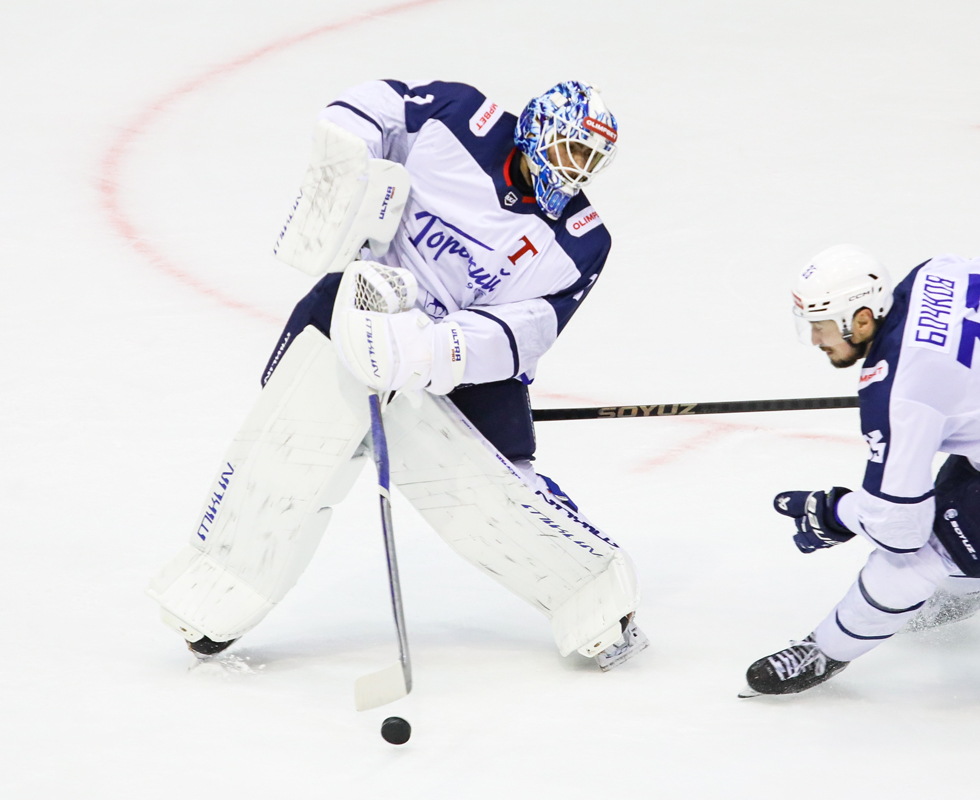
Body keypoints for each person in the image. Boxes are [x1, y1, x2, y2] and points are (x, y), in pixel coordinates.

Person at [147, 79, 648, 672]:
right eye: (572, 150)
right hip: (354, 307)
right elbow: (372, 111)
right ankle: (216, 592)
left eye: (591, 160)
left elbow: (526, 332)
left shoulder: (583, 242)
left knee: (499, 499)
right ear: (538, 129)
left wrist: (426, 350)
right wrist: (348, 158)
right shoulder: (460, 117)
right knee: (285, 455)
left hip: (463, 368)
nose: (577, 171)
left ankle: (593, 597)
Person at [741, 245, 980, 696]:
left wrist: (836, 512)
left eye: (820, 326)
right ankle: (968, 587)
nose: (816, 339)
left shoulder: (898, 397)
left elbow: (900, 530)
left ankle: (823, 651)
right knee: (957, 520)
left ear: (862, 319)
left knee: (913, 562)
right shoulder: (937, 274)